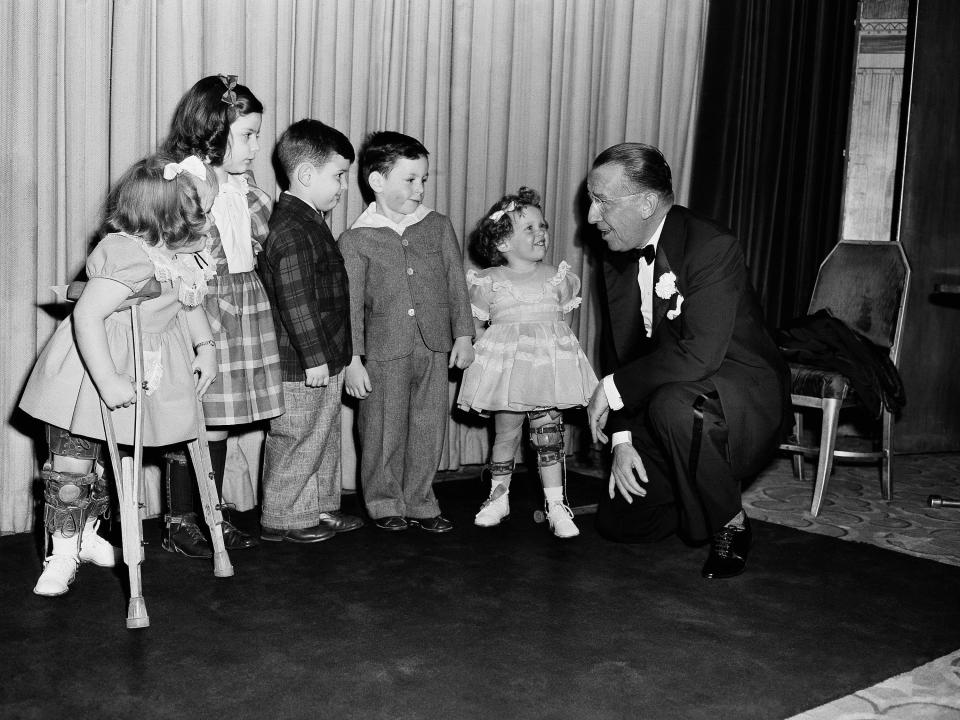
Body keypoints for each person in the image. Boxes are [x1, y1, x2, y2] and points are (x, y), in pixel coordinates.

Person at [584, 143, 789, 579]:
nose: (591, 216)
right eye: (591, 199)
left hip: (736, 391)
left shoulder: (712, 245)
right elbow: (621, 355)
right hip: (666, 393)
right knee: (622, 524)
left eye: (601, 201)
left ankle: (730, 523)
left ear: (646, 203)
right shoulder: (618, 248)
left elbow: (699, 354)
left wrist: (611, 388)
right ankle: (689, 481)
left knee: (674, 406)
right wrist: (622, 441)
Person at [20, 153, 220, 595]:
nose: (208, 222)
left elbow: (188, 303)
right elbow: (87, 317)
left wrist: (205, 346)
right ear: (165, 220)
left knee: (112, 458)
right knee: (73, 462)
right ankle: (63, 548)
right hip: (90, 369)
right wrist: (108, 379)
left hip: (144, 364)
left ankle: (87, 533)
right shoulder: (125, 255)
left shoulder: (181, 255)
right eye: (200, 212)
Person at [160, 74, 284, 557]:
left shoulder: (240, 184)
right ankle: (181, 520)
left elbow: (256, 239)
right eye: (248, 135)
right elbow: (175, 255)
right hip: (202, 305)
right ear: (214, 132)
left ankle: (212, 512)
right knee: (195, 415)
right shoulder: (186, 184)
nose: (257, 145)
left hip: (243, 300)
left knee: (221, 421)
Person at [340, 131, 474, 532]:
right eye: (410, 179)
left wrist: (464, 335)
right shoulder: (356, 238)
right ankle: (384, 503)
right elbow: (350, 305)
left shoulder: (437, 226)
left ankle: (421, 501)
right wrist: (352, 360)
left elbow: (455, 282)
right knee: (381, 428)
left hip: (434, 345)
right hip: (383, 351)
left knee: (428, 426)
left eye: (424, 180)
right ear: (377, 181)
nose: (419, 189)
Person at [457, 188, 599, 538]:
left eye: (543, 225)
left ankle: (556, 504)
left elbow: (561, 331)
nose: (541, 233)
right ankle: (498, 497)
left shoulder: (558, 277)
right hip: (509, 373)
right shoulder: (487, 281)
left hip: (547, 372)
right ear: (503, 242)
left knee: (549, 435)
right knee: (505, 434)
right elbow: (474, 328)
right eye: (529, 228)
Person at [257, 119, 364, 542]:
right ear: (305, 175)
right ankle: (284, 517)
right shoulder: (292, 228)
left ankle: (318, 507)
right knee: (297, 437)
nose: (342, 186)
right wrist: (315, 358)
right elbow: (297, 303)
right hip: (301, 362)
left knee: (322, 435)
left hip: (323, 356)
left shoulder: (310, 219)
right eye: (338, 176)